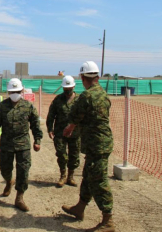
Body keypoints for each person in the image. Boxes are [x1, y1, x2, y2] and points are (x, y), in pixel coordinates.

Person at [62, 61, 115, 231]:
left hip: (96, 144)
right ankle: (80, 207)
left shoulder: (86, 96)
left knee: (98, 180)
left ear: (83, 78)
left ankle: (108, 220)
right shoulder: (103, 94)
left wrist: (69, 129)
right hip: (101, 143)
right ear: (97, 77)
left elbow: (74, 116)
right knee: (87, 175)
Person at [0, 78, 42, 212]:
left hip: (23, 145)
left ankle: (19, 197)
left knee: (23, 171)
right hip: (6, 145)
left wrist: (37, 140)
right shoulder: (2, 107)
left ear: (22, 91)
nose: (15, 93)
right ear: (8, 92)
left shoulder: (28, 106)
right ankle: (8, 182)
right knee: (5, 168)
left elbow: (36, 124)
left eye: (17, 91)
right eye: (12, 91)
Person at [46, 75, 81, 188]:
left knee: (74, 156)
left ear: (74, 86)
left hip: (76, 133)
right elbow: (51, 115)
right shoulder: (58, 100)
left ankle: (70, 177)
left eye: (69, 89)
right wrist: (50, 129)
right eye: (65, 89)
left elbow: (85, 116)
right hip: (60, 133)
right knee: (61, 154)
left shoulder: (80, 100)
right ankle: (63, 175)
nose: (67, 91)